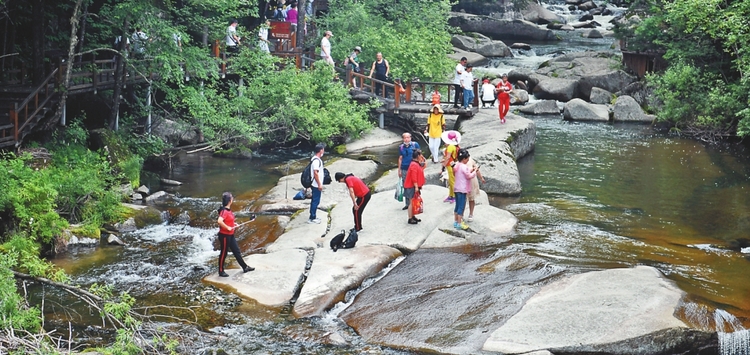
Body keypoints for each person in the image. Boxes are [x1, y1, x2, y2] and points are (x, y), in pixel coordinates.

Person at [217, 192, 254, 277]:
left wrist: (234, 224)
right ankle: (221, 271)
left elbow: (228, 220)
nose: (232, 198)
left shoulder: (228, 210)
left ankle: (245, 267)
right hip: (225, 236)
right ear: (230, 201)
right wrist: (227, 227)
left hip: (231, 235)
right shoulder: (224, 211)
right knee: (224, 253)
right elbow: (219, 221)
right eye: (232, 197)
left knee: (236, 251)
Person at [453, 149, 476, 230]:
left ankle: (455, 221)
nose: (468, 161)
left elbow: (462, 173)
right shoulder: (464, 167)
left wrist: (470, 171)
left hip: (456, 188)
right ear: (464, 159)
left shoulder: (456, 165)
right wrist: (475, 172)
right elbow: (468, 176)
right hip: (463, 189)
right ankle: (459, 223)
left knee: (457, 205)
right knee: (461, 207)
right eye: (467, 159)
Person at [398, 132, 421, 210]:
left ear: (411, 138)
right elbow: (400, 158)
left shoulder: (415, 145)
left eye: (408, 137)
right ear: (403, 139)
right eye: (405, 138)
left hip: (413, 168)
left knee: (415, 185)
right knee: (406, 185)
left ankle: (415, 201)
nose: (406, 139)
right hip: (404, 168)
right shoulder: (401, 147)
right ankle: (408, 204)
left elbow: (419, 156)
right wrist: (399, 170)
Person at [403, 150, 426, 225]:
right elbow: (413, 177)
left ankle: (413, 216)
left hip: (414, 186)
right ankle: (410, 218)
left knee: (413, 201)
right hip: (411, 186)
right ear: (418, 156)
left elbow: (424, 165)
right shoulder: (413, 164)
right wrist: (416, 186)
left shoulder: (416, 163)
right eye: (420, 155)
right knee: (411, 202)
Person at [441, 130, 461, 203]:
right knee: (451, 180)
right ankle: (451, 195)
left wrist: (444, 164)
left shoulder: (450, 147)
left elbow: (448, 157)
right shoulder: (456, 145)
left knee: (452, 181)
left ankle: (454, 196)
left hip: (450, 165)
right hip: (454, 164)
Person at [308, 143, 326, 224]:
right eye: (323, 149)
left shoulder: (316, 159)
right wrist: (319, 184)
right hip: (316, 185)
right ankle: (312, 218)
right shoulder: (316, 161)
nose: (324, 151)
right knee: (315, 201)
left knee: (315, 200)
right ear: (321, 150)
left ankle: (313, 216)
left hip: (315, 184)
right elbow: (315, 173)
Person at [466, 156, 486, 222]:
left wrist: (481, 178)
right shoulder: (458, 164)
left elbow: (476, 169)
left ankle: (471, 214)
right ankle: (461, 214)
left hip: (472, 182)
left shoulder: (471, 160)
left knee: (471, 198)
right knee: (462, 200)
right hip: (464, 183)